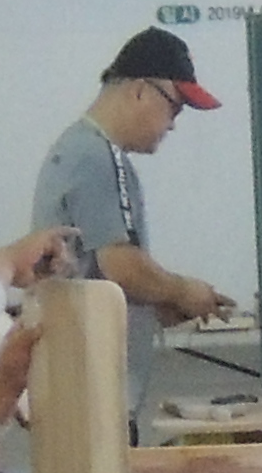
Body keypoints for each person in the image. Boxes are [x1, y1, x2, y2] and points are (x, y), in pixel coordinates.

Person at [30, 31, 237, 423]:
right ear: (140, 90)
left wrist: (165, 306)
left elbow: (93, 281)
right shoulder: (98, 157)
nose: (173, 125)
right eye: (175, 108)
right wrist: (183, 289)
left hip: (76, 390)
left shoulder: (74, 150)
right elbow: (120, 266)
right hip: (95, 399)